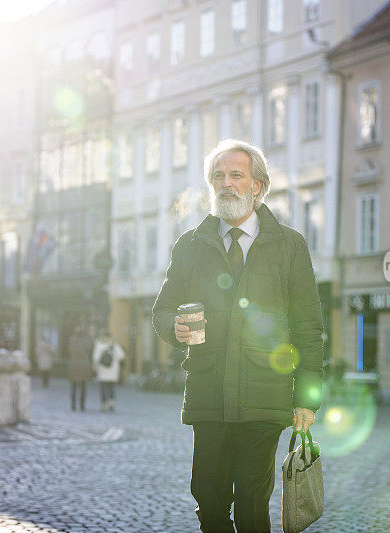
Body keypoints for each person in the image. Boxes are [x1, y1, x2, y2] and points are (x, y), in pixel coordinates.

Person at [152, 139, 324, 533]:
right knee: (209, 500)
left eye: (236, 175)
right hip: (209, 394)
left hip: (265, 396)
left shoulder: (289, 246)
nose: (225, 183)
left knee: (251, 501)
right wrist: (172, 328)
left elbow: (309, 328)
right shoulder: (190, 246)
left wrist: (307, 399)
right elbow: (162, 310)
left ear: (257, 186)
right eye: (218, 176)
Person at [92, 330, 125, 412]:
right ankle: (111, 403)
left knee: (102, 388)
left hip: (102, 370)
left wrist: (95, 366)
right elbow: (122, 356)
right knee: (111, 387)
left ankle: (103, 404)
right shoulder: (115, 345)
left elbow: (95, 357)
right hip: (113, 370)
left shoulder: (99, 344)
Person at [67, 326, 94, 411]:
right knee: (83, 387)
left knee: (73, 387)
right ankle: (82, 405)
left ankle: (73, 405)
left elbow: (70, 350)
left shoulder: (72, 340)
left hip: (74, 365)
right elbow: (90, 349)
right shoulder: (86, 340)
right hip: (83, 365)